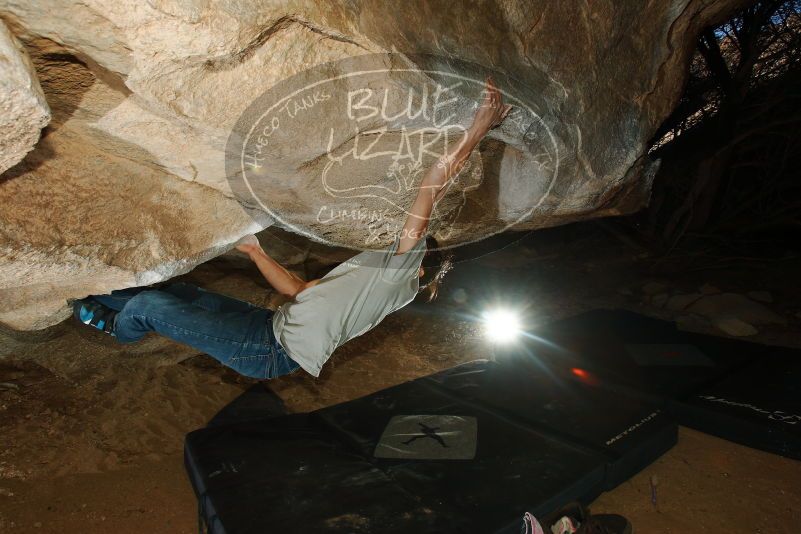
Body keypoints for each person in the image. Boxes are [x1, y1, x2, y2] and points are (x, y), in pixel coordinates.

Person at [73, 77, 512, 380]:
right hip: (267, 326)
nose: (397, 239)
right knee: (179, 294)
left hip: (268, 352)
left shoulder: (403, 275)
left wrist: (476, 129)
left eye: (411, 245)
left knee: (153, 306)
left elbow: (430, 186)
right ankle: (96, 294)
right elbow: (299, 292)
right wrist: (256, 253)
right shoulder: (370, 282)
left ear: (420, 266)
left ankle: (116, 327)